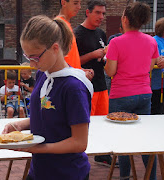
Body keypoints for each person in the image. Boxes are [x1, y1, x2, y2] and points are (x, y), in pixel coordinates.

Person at [2, 15, 93, 180]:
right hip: (40, 170)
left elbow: (80, 142)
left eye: (35, 57)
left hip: (67, 174)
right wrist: (19, 124)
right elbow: (51, 114)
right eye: (27, 57)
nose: (31, 64)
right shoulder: (45, 74)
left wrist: (39, 148)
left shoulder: (73, 87)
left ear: (55, 48)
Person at [105, 2, 159, 179]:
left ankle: (125, 176)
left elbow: (111, 71)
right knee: (145, 139)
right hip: (144, 93)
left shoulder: (116, 42)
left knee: (123, 139)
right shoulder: (151, 41)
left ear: (125, 19)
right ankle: (150, 176)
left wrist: (106, 63)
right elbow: (150, 67)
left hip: (121, 94)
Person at [73, 0, 111, 167]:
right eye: (98, 13)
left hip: (102, 85)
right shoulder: (77, 34)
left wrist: (104, 57)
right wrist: (92, 54)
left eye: (103, 13)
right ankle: (81, 157)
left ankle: (101, 155)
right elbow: (72, 62)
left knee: (103, 123)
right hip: (85, 88)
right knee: (85, 124)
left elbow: (101, 57)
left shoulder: (101, 34)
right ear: (88, 12)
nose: (101, 17)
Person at [55, 0, 95, 80]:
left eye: (80, 3)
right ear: (63, 2)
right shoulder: (59, 25)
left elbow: (68, 59)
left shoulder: (64, 24)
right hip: (67, 81)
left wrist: (80, 70)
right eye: (75, 3)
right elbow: (56, 59)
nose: (79, 7)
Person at [151, 17, 164, 114]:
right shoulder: (154, 41)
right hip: (156, 85)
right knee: (156, 111)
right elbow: (156, 59)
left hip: (163, 84)